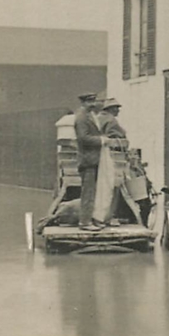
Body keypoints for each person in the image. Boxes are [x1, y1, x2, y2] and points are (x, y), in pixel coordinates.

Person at [93, 98, 129, 226]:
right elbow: (121, 135)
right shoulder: (111, 120)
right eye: (116, 108)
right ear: (110, 109)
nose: (118, 110)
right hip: (108, 157)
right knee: (117, 185)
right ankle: (112, 214)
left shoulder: (96, 118)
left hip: (93, 158)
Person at [73, 92, 105, 231]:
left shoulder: (88, 116)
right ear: (83, 103)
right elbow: (83, 138)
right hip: (88, 160)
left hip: (92, 160)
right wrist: (102, 140)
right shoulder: (81, 117)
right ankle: (85, 222)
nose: (93, 104)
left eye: (94, 101)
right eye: (90, 102)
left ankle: (90, 219)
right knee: (88, 192)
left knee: (92, 192)